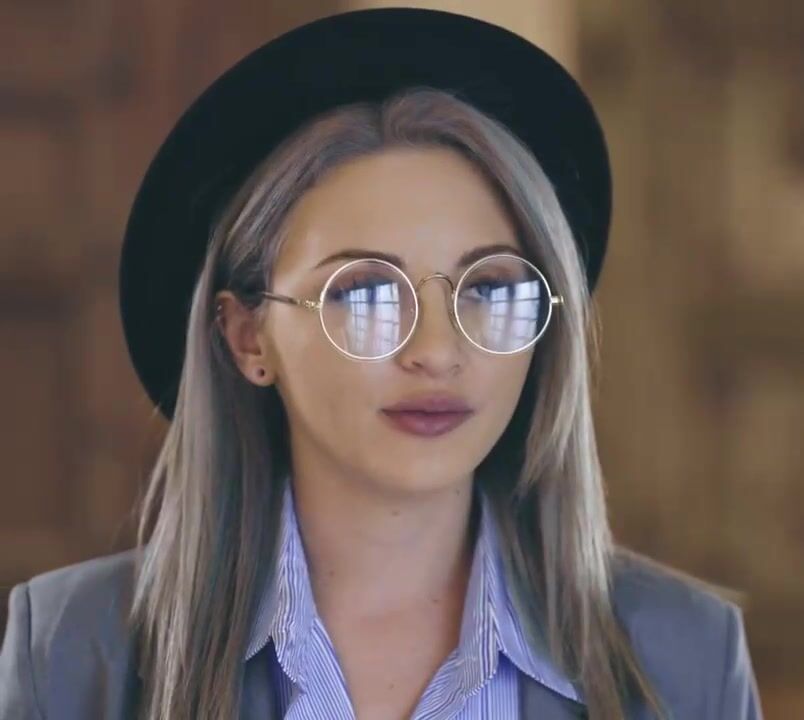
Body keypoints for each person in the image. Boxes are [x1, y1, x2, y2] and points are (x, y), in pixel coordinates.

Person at [0, 8, 761, 720]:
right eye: (364, 291)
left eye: (488, 288)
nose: (436, 351)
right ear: (247, 337)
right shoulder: (68, 651)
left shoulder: (690, 657)